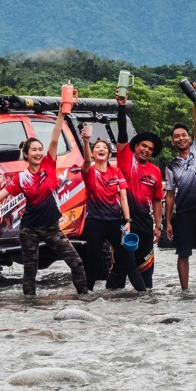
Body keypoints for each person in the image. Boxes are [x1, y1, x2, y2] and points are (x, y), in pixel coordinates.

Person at [0, 103, 87, 296]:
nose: (38, 153)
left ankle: (84, 298)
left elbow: (54, 138)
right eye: (34, 150)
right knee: (30, 271)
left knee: (76, 262)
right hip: (29, 229)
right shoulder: (22, 178)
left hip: (51, 228)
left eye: (40, 149)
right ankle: (30, 304)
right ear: (26, 154)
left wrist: (61, 115)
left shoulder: (48, 165)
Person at [106, 91, 165, 289]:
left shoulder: (155, 171)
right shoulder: (126, 159)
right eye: (143, 146)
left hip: (145, 223)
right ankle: (115, 300)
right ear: (135, 146)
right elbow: (122, 134)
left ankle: (145, 300)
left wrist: (158, 226)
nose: (146, 150)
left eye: (150, 149)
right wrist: (121, 106)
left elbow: (157, 200)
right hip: (124, 221)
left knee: (146, 268)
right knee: (121, 265)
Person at [80, 122, 146, 292]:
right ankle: (86, 295)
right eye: (97, 147)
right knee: (93, 260)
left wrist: (128, 221)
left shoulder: (116, 172)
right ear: (93, 153)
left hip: (115, 221)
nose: (101, 149)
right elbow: (86, 161)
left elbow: (123, 198)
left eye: (104, 148)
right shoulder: (89, 171)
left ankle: (143, 294)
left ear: (109, 154)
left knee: (129, 260)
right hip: (94, 222)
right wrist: (86, 141)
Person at [164, 80, 196, 290]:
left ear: (189, 138)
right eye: (177, 136)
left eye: (183, 135)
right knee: (183, 253)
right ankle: (184, 290)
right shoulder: (171, 166)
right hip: (183, 213)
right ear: (173, 142)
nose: (181, 138)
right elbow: (169, 195)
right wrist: (167, 221)